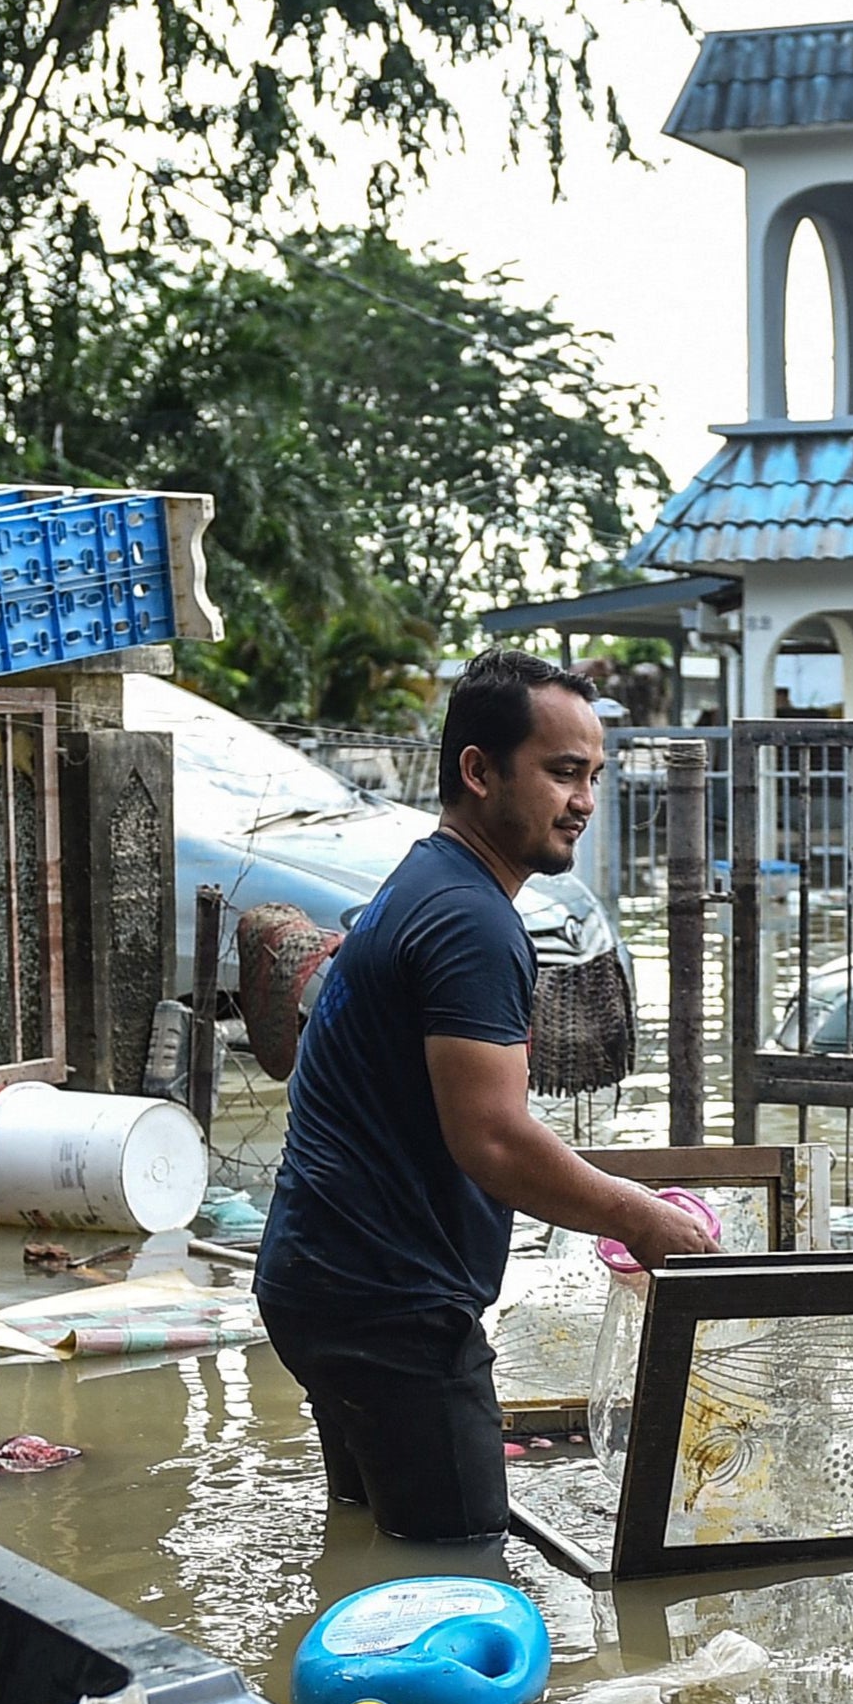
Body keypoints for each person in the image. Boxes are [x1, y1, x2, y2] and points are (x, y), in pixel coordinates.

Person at [254, 650, 717, 1542]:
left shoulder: (424, 882)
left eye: (592, 776)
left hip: (315, 1283)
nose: (583, 800)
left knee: (365, 1547)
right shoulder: (472, 921)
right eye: (560, 772)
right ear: (477, 770)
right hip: (388, 1310)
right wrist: (639, 1217)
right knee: (461, 1572)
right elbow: (495, 1143)